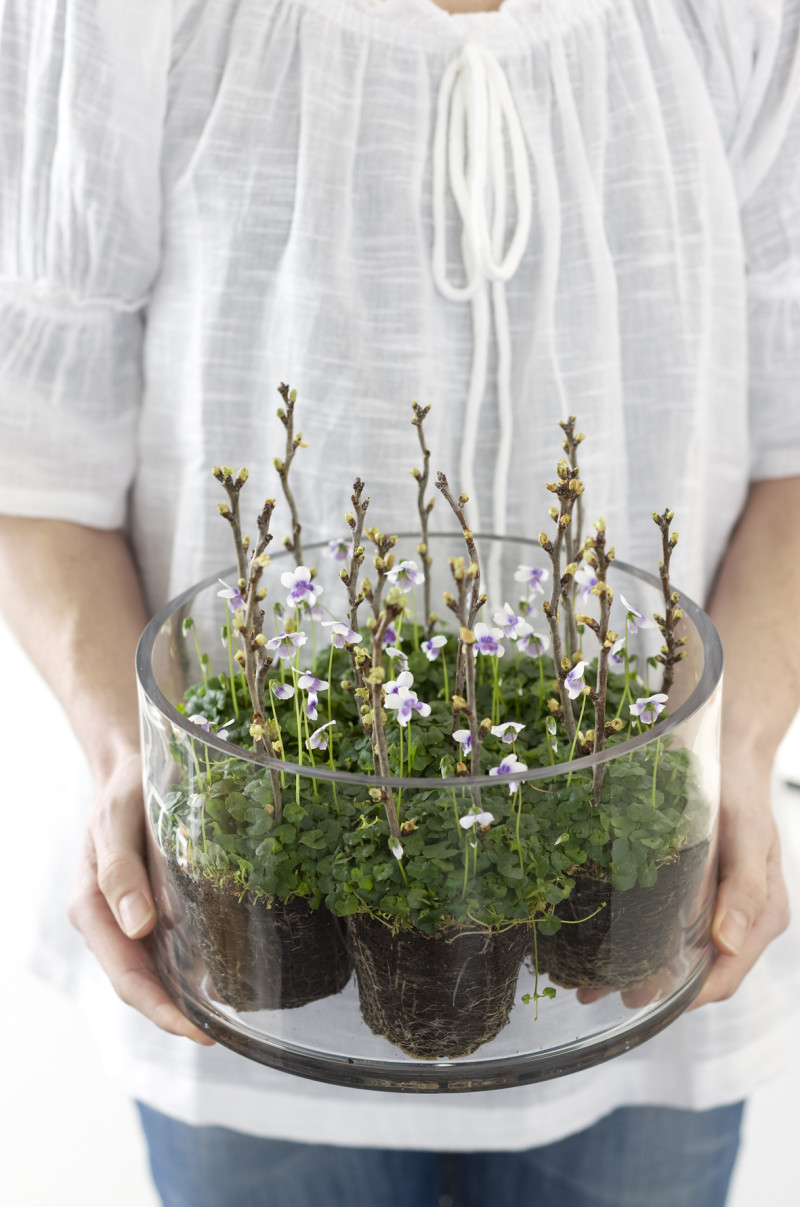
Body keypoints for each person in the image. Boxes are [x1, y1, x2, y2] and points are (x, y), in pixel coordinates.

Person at [1, 0, 799, 1204]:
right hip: (240, 990)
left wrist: (730, 753)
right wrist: (130, 757)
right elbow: (30, 440)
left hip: (650, 983)